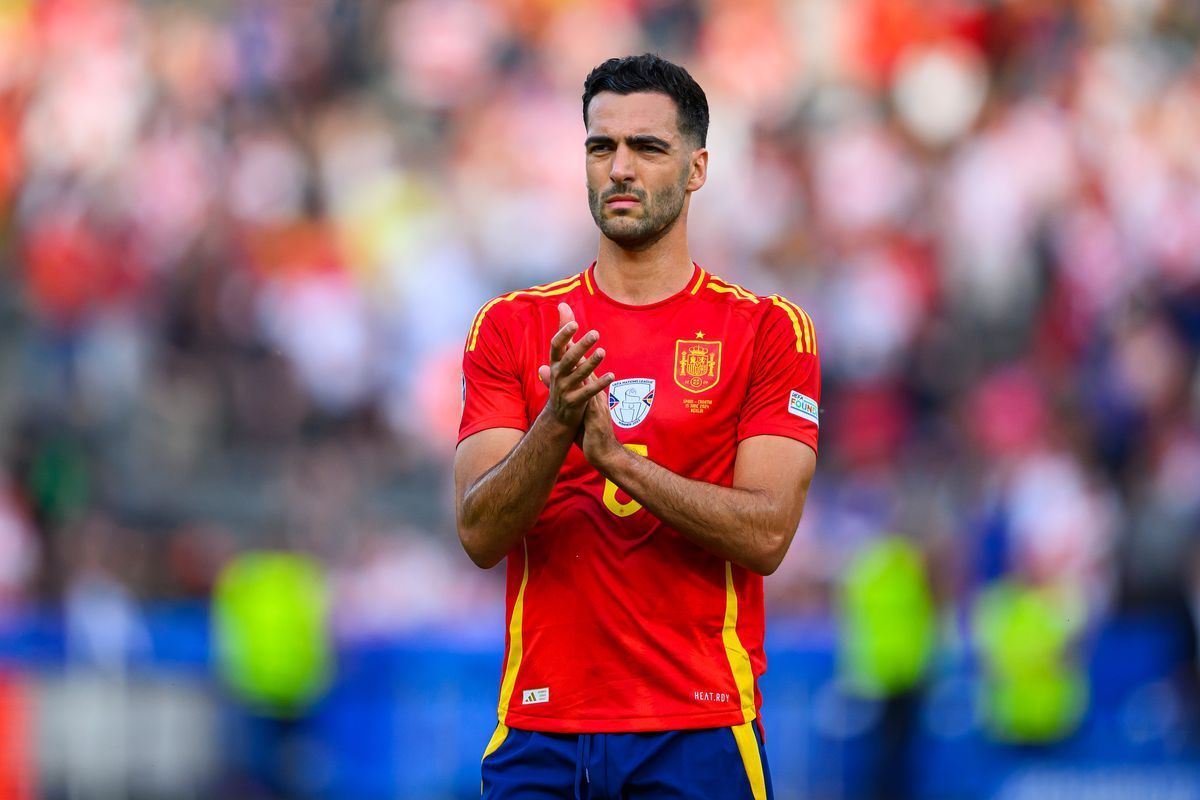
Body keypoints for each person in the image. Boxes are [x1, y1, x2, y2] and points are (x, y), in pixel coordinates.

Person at [455, 53, 819, 800]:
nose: (620, 168)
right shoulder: (511, 326)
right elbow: (479, 533)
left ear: (696, 168)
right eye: (602, 146)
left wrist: (618, 461)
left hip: (697, 727)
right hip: (540, 731)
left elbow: (767, 535)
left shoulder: (768, 330)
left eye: (647, 147)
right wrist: (557, 422)